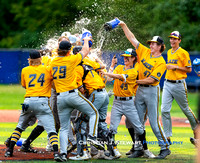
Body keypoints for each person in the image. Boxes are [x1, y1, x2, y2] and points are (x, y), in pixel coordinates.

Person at [119, 20, 170, 159]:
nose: (151, 45)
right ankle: (138, 148)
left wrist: (133, 80)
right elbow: (132, 38)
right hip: (139, 91)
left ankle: (165, 147)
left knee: (154, 123)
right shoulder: (145, 52)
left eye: (154, 43)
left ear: (160, 47)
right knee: (137, 121)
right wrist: (123, 25)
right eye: (151, 43)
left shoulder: (161, 62)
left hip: (151, 91)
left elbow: (152, 80)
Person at [50, 38, 104, 161]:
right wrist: (85, 40)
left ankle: (63, 154)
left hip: (60, 97)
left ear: (58, 50)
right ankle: (92, 137)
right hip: (72, 94)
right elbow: (85, 51)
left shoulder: (53, 62)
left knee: (64, 128)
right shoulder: (71, 59)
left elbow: (51, 82)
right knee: (93, 112)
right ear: (69, 51)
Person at [4, 50, 63, 162]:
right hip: (42, 101)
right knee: (51, 130)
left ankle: (9, 150)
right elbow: (54, 83)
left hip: (28, 101)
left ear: (29, 59)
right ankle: (56, 153)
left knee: (20, 127)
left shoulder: (25, 70)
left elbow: (24, 85)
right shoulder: (47, 68)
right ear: (40, 58)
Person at [101, 48, 148, 159]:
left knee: (139, 128)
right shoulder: (119, 67)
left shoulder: (133, 71)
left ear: (133, 58)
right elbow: (108, 79)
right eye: (124, 56)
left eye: (128, 56)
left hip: (129, 103)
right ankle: (113, 150)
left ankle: (144, 149)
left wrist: (105, 72)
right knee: (112, 128)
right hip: (117, 102)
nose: (125, 58)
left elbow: (120, 77)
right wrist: (112, 66)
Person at [161, 31, 198, 145]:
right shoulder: (169, 51)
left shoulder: (183, 53)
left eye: (175, 39)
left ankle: (197, 131)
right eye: (171, 38)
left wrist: (175, 67)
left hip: (179, 84)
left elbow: (189, 69)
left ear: (179, 40)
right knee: (164, 110)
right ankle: (167, 138)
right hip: (167, 83)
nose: (172, 40)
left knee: (186, 109)